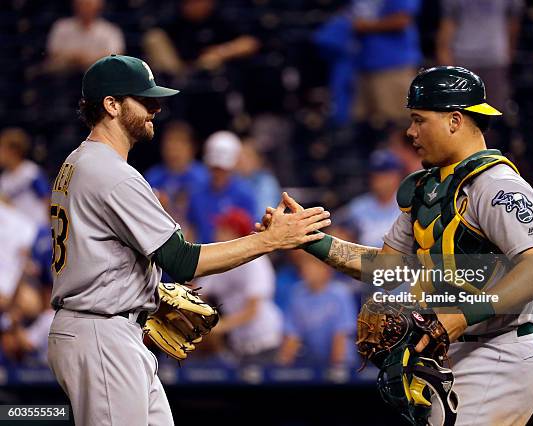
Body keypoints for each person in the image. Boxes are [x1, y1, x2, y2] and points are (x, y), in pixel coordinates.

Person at [259, 66, 533, 425]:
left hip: (500, 350)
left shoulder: (497, 187)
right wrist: (308, 238)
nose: (410, 132)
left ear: (455, 120)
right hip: (451, 351)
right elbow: (384, 268)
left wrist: (462, 317)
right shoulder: (427, 190)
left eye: (419, 120)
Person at [47, 54, 331, 426]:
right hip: (102, 333)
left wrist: (147, 290)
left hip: (108, 327)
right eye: (144, 100)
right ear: (111, 105)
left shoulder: (80, 163)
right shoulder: (112, 174)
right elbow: (180, 259)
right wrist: (270, 241)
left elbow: (110, 252)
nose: (155, 108)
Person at [197, 208, 283, 364]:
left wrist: (218, 327)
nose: (216, 233)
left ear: (235, 235)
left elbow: (252, 310)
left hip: (265, 344)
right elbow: (196, 294)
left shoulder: (255, 262)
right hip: (238, 346)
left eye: (223, 229)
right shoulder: (218, 261)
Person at [436, 0, 523, 112]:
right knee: (462, 116)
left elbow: (514, 22)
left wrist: (508, 53)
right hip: (462, 61)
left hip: (495, 61)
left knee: (493, 117)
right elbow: (447, 24)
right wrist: (445, 59)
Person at [276, 250, 358, 367]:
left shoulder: (340, 294)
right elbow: (292, 335)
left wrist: (336, 370)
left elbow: (341, 335)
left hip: (343, 363)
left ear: (326, 270)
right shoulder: (297, 293)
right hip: (312, 362)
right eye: (304, 266)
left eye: (312, 266)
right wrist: (282, 368)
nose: (306, 270)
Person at [350, 0, 423, 125]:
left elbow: (402, 19)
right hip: (362, 64)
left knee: (398, 125)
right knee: (364, 125)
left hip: (393, 65)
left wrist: (365, 26)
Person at [187, 131, 256, 243]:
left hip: (237, 254)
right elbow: (191, 229)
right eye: (215, 168)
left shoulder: (245, 193)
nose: (218, 173)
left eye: (223, 169)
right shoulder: (196, 193)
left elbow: (250, 232)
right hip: (203, 254)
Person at [145, 121, 208, 224]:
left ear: (192, 147)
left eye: (179, 144)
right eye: (169, 143)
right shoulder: (153, 177)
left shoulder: (204, 178)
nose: (173, 150)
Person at [341, 149, 404, 248]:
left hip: (401, 260)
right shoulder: (359, 206)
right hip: (368, 259)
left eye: (385, 175)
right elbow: (337, 230)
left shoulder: (409, 203)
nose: (380, 181)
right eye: (375, 176)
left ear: (397, 176)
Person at [46, 0, 125, 73]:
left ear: (99, 7)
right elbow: (53, 54)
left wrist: (86, 59)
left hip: (99, 77)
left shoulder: (111, 31)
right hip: (63, 77)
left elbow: (115, 58)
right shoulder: (61, 27)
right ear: (75, 5)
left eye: (89, 4)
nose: (86, 9)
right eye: (82, 4)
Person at [0, 127, 50, 226]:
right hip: (20, 230)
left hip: (38, 226)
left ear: (12, 151)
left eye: (2, 149)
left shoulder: (30, 171)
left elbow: (46, 199)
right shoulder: (4, 179)